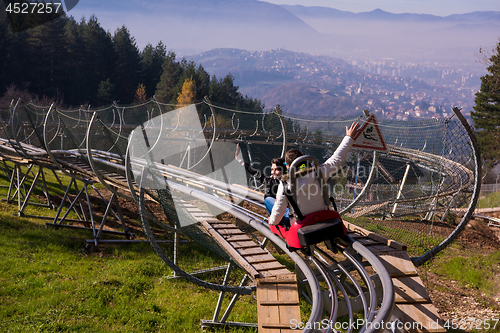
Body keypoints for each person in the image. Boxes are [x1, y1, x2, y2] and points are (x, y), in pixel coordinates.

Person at [268, 122, 361, 226]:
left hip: (302, 223)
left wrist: (271, 221)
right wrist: (349, 137)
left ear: (288, 165)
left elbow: (278, 210)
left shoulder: (285, 184)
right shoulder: (319, 172)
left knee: (269, 201)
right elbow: (337, 159)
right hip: (323, 217)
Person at [235, 143, 290, 226]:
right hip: (286, 215)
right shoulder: (289, 181)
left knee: (267, 199)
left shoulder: (279, 183)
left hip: (286, 216)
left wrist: (241, 162)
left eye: (277, 170)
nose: (273, 172)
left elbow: (258, 174)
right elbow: (258, 174)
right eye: (272, 169)